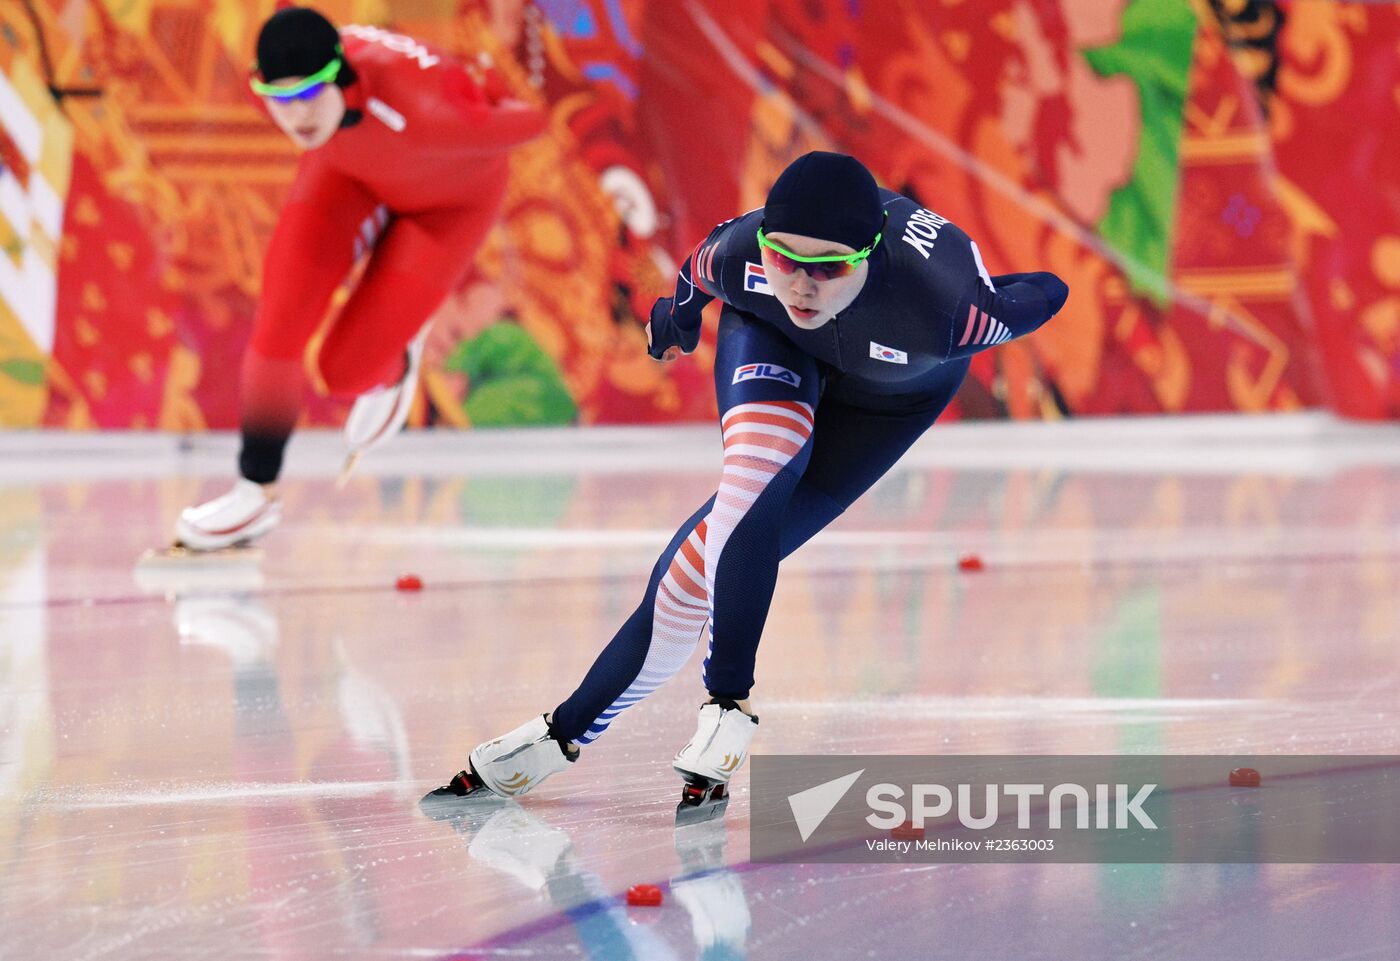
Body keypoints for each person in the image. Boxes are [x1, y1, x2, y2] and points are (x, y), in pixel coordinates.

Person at [425, 152, 1069, 820]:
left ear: (872, 257)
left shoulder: (949, 308)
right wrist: (676, 319)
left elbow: (1046, 289)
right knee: (750, 483)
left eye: (828, 269)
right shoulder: (741, 256)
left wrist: (1016, 289)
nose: (803, 284)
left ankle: (579, 729)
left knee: (702, 563)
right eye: (786, 260)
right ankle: (620, 723)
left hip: (886, 404)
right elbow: (690, 281)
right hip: (775, 341)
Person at [172, 6, 544, 552]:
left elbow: (530, 121)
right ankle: (254, 493)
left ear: (339, 79)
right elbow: (295, 97)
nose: (294, 117)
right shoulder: (284, 99)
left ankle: (396, 367)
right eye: (280, 100)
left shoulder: (433, 111)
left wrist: (485, 83)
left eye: (306, 97)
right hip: (348, 173)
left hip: (448, 205)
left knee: (344, 372)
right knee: (278, 324)